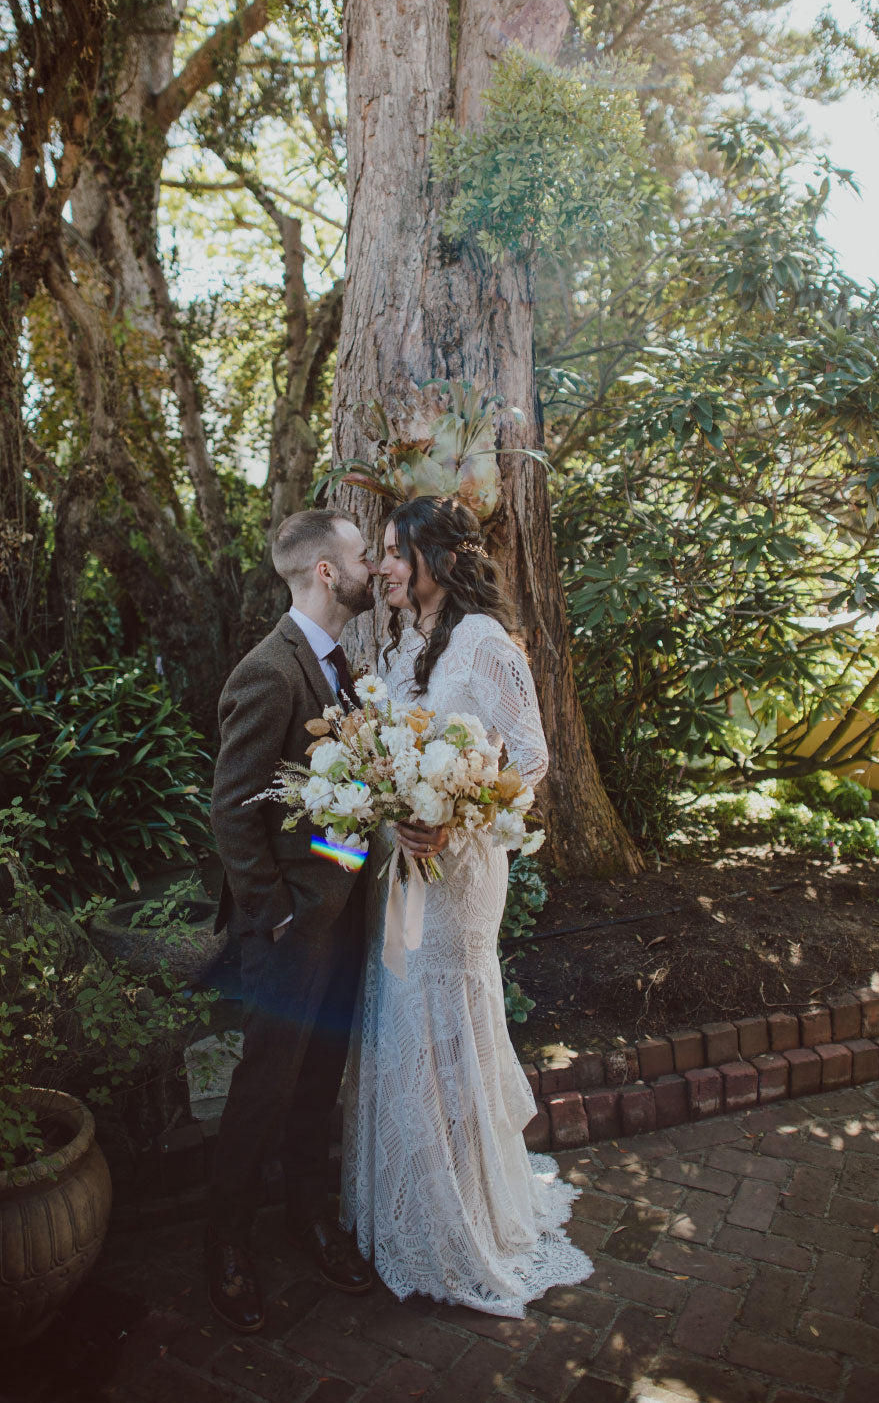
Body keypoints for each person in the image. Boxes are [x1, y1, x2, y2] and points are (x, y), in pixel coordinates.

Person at [340, 494, 593, 1316]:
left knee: (445, 1017)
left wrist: (451, 816)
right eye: (377, 552)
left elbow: (531, 756)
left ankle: (470, 1214)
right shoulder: (405, 643)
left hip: (461, 874)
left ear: (435, 559)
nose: (380, 566)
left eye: (390, 552)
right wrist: (392, 809)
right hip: (402, 869)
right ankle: (415, 1201)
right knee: (404, 1011)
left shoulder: (485, 644)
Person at [207, 508, 377, 1332]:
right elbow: (232, 810)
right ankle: (227, 1241)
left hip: (343, 910)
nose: (371, 565)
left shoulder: (347, 666)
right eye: (359, 554)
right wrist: (275, 914)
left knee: (320, 1077)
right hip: (289, 925)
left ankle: (306, 1215)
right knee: (266, 1084)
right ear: (323, 572)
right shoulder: (268, 672)